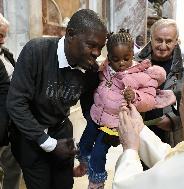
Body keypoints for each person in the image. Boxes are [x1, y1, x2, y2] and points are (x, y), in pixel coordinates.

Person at [6, 9, 107, 189]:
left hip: (61, 133)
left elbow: (90, 109)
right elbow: (16, 104)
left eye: (100, 47)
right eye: (91, 45)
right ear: (70, 34)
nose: (96, 53)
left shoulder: (90, 69)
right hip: (29, 134)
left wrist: (103, 134)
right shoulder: (37, 52)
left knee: (64, 184)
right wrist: (49, 143)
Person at [73, 29, 176, 189]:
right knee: (85, 143)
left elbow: (149, 100)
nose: (121, 63)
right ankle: (84, 165)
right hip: (96, 116)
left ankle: (96, 182)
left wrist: (134, 96)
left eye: (126, 58)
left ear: (132, 54)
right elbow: (98, 82)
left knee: (98, 154)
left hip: (114, 125)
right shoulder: (106, 68)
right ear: (109, 57)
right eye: (115, 59)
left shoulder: (142, 75)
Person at [135, 18, 184, 146]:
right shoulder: (135, 63)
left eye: (169, 41)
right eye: (158, 40)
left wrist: (175, 120)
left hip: (175, 136)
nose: (163, 46)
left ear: (176, 41)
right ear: (151, 38)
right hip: (140, 134)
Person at [0, 13, 21, 189]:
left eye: (4, 34)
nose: (3, 39)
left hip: (9, 122)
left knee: (13, 168)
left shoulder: (6, 54)